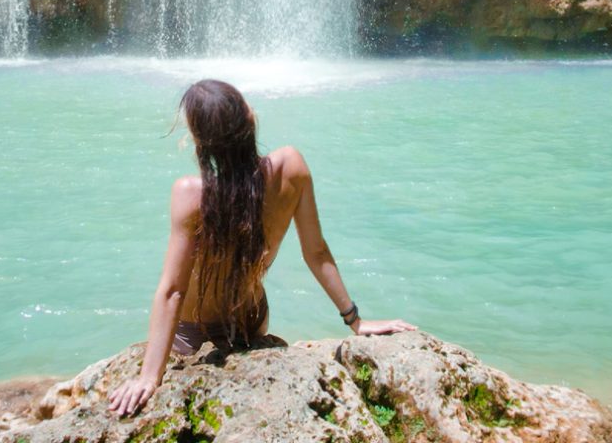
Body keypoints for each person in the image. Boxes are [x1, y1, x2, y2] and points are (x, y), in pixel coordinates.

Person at [106, 79, 416, 416]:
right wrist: (356, 320)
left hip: (188, 330)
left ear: (197, 141)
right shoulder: (291, 167)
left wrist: (149, 377)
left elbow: (173, 291)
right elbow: (316, 252)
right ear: (250, 118)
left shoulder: (191, 194)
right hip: (249, 321)